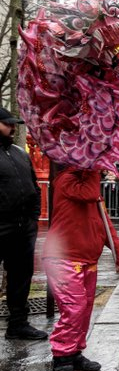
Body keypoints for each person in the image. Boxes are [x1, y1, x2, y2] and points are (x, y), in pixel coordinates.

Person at [43, 167, 119, 371]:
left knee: (85, 308)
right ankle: (61, 361)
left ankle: (74, 352)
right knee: (74, 308)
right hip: (62, 258)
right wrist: (93, 170)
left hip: (87, 260)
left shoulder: (91, 187)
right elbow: (89, 194)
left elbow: (105, 224)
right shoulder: (67, 179)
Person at [0, 107, 48, 340]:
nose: (12, 128)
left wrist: (33, 218)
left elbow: (33, 186)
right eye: (7, 124)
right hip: (3, 225)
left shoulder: (19, 153)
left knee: (21, 276)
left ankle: (18, 323)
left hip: (22, 228)